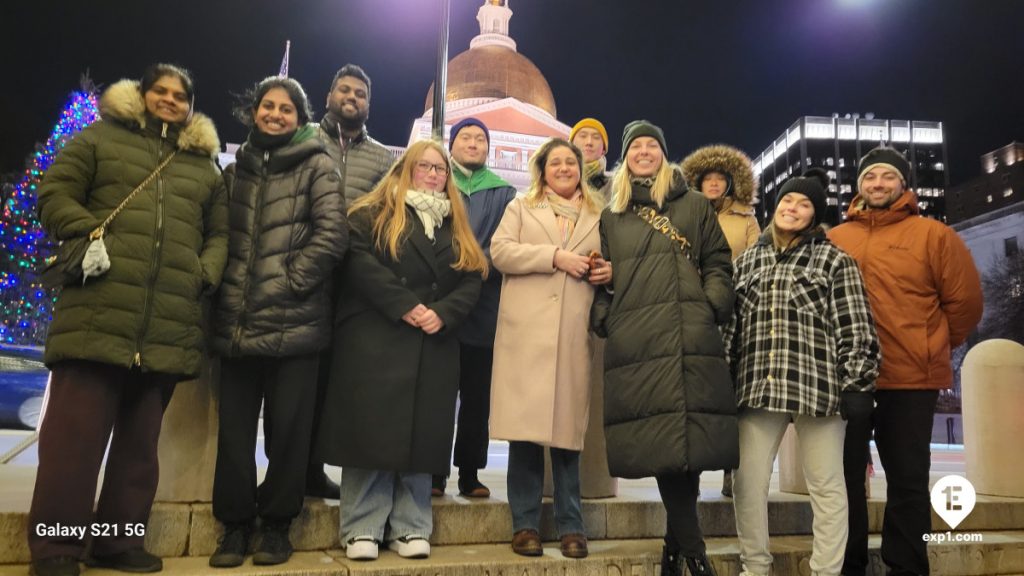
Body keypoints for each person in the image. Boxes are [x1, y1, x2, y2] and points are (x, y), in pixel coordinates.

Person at [29, 63, 228, 576]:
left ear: (190, 106)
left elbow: (220, 234)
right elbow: (53, 195)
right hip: (96, 314)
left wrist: (201, 274)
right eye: (159, 91)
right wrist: (92, 234)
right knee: (72, 447)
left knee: (139, 451)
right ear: (142, 96)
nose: (169, 100)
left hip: (164, 324)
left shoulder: (203, 167)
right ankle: (56, 548)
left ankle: (118, 542)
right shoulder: (99, 138)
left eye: (179, 95)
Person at [318, 139, 487, 561]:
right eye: (425, 166)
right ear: (406, 169)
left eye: (440, 169)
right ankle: (362, 525)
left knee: (422, 435)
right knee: (371, 434)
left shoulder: (456, 224)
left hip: (433, 341)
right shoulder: (372, 212)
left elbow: (472, 276)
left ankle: (412, 526)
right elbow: (358, 260)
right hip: (379, 336)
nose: (433, 174)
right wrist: (404, 305)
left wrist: (442, 313)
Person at [207, 77, 347, 568]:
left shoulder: (317, 166)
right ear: (254, 112)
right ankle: (235, 525)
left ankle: (276, 526)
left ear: (300, 118)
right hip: (239, 324)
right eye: (267, 106)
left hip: (295, 323)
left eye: (286, 109)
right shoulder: (236, 169)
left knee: (288, 435)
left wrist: (287, 281)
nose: (275, 114)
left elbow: (332, 236)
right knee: (235, 436)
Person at [590, 120, 736, 576]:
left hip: (689, 330)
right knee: (666, 441)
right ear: (626, 157)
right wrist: (604, 315)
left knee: (685, 441)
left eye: (652, 144)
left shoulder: (693, 204)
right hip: (639, 336)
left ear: (664, 154)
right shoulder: (612, 213)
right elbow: (603, 273)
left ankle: (678, 552)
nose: (644, 152)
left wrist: (711, 305)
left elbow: (717, 261)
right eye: (636, 146)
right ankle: (691, 552)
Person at [830, 146, 983, 576]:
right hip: (850, 379)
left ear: (903, 185)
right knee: (843, 480)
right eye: (870, 177)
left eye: (887, 177)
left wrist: (930, 344)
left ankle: (907, 567)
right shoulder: (836, 239)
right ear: (858, 186)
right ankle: (848, 564)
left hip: (911, 379)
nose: (878, 184)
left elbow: (966, 304)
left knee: (908, 481)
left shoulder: (934, 235)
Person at [723, 170, 880, 576]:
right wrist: (722, 379)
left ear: (814, 216)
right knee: (747, 483)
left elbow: (856, 326)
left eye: (804, 204)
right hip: (759, 386)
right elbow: (730, 329)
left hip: (818, 390)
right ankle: (754, 566)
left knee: (827, 485)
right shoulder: (748, 262)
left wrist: (857, 385)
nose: (792, 208)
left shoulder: (834, 260)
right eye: (787, 201)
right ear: (775, 207)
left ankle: (826, 570)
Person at [489, 138, 611, 559]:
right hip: (526, 334)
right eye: (555, 162)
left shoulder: (599, 213)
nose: (563, 168)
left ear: (581, 169)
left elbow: (612, 263)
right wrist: (555, 257)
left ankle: (571, 526)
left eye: (570, 162)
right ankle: (524, 524)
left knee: (566, 437)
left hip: (572, 332)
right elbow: (500, 252)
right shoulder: (521, 207)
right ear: (542, 170)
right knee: (525, 435)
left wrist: (605, 270)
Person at [293, 63, 392, 500]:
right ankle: (287, 472)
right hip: (302, 273)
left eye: (360, 94)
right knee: (295, 380)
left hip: (350, 281)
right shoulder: (303, 139)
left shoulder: (383, 158)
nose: (352, 98)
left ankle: (313, 469)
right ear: (330, 95)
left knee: (332, 379)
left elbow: (388, 217)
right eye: (345, 90)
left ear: (369, 104)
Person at [432, 117, 517, 498]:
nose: (472, 143)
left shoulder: (504, 193)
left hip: (484, 305)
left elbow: (508, 241)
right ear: (452, 146)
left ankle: (470, 472)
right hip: (442, 303)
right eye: (465, 136)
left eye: (480, 138)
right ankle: (433, 472)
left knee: (476, 397)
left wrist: (477, 262)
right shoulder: (436, 182)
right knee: (438, 393)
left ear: (488, 148)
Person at [681, 143, 762, 498]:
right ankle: (691, 474)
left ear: (730, 183)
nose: (713, 184)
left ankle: (733, 471)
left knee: (733, 394)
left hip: (734, 311)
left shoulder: (746, 220)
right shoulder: (685, 214)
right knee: (693, 394)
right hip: (691, 310)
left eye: (719, 179)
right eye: (707, 179)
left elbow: (758, 262)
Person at [570, 118, 611, 194]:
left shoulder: (614, 186)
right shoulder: (555, 178)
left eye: (596, 137)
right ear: (571, 145)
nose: (589, 142)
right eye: (583, 136)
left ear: (604, 150)